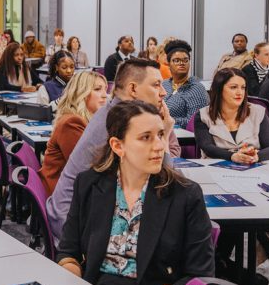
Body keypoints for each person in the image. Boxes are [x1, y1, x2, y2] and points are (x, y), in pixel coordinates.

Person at [56, 100, 214, 285]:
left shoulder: (185, 195)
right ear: (117, 146)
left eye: (161, 135)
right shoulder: (89, 184)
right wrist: (71, 276)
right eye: (146, 137)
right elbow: (68, 251)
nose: (159, 146)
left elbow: (200, 274)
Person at [47, 58, 181, 241]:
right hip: (76, 225)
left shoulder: (111, 112)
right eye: (156, 85)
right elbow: (165, 180)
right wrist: (164, 134)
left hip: (78, 212)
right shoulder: (120, 124)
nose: (164, 93)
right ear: (133, 89)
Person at [194, 68, 269, 270]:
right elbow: (206, 147)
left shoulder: (257, 112)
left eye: (242, 87)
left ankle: (220, 261)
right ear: (219, 90)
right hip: (213, 175)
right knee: (234, 203)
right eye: (233, 87)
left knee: (248, 199)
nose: (240, 92)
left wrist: (255, 155)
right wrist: (232, 156)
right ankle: (226, 259)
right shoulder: (203, 116)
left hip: (251, 174)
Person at [38, 71, 108, 196]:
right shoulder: (71, 122)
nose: (105, 95)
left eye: (105, 89)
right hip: (62, 195)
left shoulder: (85, 119)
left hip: (73, 188)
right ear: (81, 93)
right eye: (97, 89)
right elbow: (87, 167)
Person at [161, 39, 208, 129]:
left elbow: (195, 122)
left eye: (185, 60)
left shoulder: (196, 89)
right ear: (169, 63)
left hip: (185, 138)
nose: (182, 63)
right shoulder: (164, 84)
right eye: (176, 60)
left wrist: (168, 119)